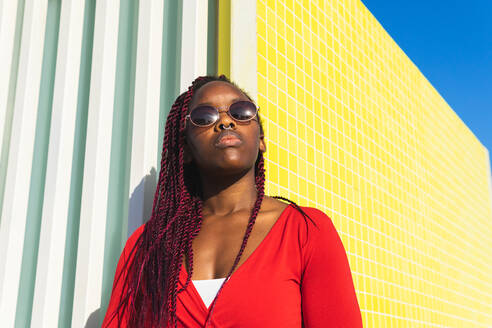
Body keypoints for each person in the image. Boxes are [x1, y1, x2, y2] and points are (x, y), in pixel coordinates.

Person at [102, 75, 363, 327]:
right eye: (205, 117)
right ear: (186, 150)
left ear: (261, 140)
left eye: (241, 112)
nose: (226, 121)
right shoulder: (147, 246)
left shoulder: (305, 231)